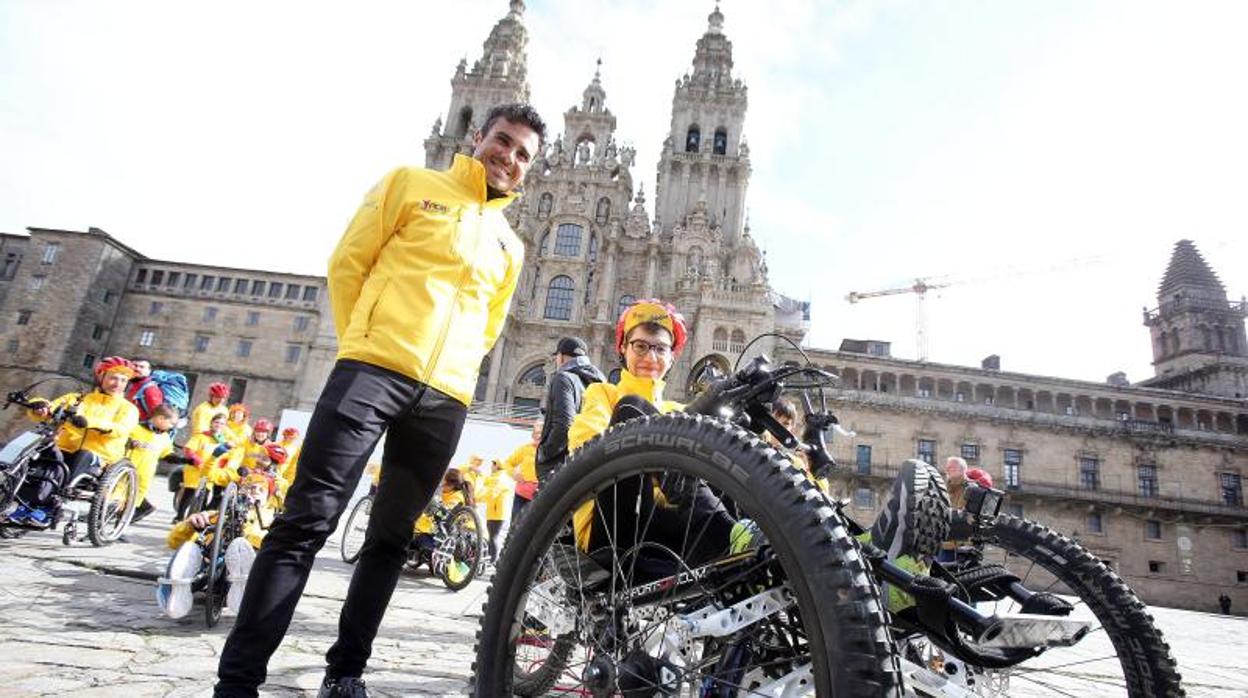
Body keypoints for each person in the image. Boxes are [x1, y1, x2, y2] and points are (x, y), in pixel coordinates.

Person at [215, 102, 545, 698]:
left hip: (444, 396)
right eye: (503, 141)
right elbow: (349, 263)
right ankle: (237, 683)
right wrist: (363, 343)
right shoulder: (409, 183)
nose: (510, 157)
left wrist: (460, 372)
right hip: (373, 370)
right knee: (305, 522)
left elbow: (492, 325)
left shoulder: (510, 244)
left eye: (523, 154)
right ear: (478, 136)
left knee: (392, 541)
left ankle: (346, 673)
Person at [567, 299, 749, 579]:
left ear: (671, 356)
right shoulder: (603, 394)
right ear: (623, 349)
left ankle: (748, 554)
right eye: (640, 346)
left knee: (721, 435)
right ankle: (729, 535)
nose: (650, 358)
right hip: (613, 530)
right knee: (633, 409)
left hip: (672, 536)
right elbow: (587, 449)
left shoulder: (677, 411)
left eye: (660, 349)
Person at [6, 356, 141, 527]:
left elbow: (121, 428)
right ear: (101, 377)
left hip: (100, 456)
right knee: (44, 453)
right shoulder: (78, 398)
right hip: (64, 448)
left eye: (123, 380)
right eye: (113, 377)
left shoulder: (128, 409)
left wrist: (89, 423)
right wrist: (39, 407)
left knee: (82, 455)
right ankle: (26, 504)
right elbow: (53, 408)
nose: (118, 383)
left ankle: (48, 508)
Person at [158, 469, 279, 619]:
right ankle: (176, 592)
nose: (252, 492)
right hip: (208, 567)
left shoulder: (271, 523)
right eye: (248, 487)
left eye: (260, 490)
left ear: (268, 499)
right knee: (188, 551)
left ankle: (244, 589)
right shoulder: (217, 515)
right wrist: (190, 525)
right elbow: (173, 542)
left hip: (245, 571)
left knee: (243, 549)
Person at [534, 336, 604, 484]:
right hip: (588, 463)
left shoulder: (563, 378)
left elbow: (565, 425)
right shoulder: (598, 381)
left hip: (559, 466)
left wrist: (545, 453)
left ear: (561, 356)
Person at [127, 403, 192, 523]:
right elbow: (123, 440)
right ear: (161, 418)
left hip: (144, 475)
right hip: (127, 469)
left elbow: (167, 455)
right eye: (171, 424)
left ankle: (120, 525)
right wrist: (129, 443)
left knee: (133, 502)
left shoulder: (165, 438)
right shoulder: (136, 429)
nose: (172, 427)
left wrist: (185, 460)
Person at [175, 413, 233, 522]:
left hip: (209, 471)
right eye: (216, 422)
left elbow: (225, 457)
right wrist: (198, 461)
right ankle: (179, 517)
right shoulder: (200, 436)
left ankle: (196, 520)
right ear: (211, 423)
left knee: (205, 495)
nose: (218, 425)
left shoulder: (223, 441)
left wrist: (222, 467)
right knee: (189, 493)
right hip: (195, 470)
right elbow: (189, 450)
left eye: (222, 423)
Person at [503, 421, 541, 523]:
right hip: (521, 494)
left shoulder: (550, 450)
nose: (538, 435)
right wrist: (513, 473)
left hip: (540, 495)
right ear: (532, 435)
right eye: (536, 433)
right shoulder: (525, 448)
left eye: (541, 432)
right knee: (515, 525)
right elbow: (507, 463)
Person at [478, 459, 513, 563]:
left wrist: (477, 498)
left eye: (492, 465)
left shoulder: (499, 478)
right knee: (492, 536)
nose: (490, 467)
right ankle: (491, 559)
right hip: (496, 512)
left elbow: (492, 493)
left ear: (497, 466)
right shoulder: (498, 477)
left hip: (497, 513)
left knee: (493, 537)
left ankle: (493, 560)